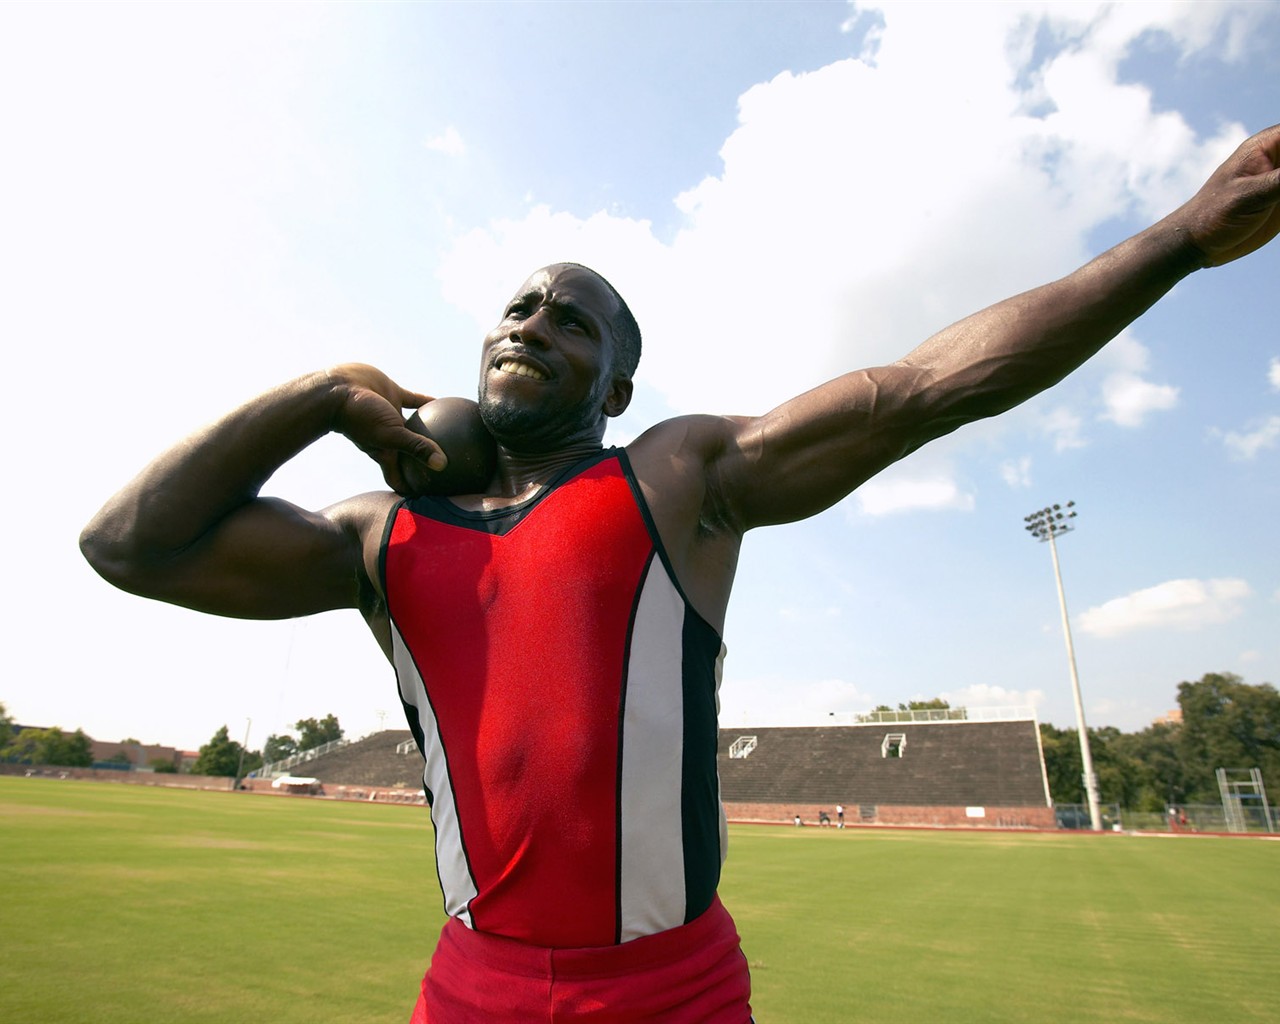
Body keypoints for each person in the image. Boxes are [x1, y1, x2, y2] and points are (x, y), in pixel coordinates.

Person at [80, 125, 1280, 1022]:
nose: (532, 322)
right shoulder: (376, 532)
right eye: (517, 306)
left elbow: (923, 389)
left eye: (572, 322)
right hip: (470, 986)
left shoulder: (676, 477)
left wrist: (1178, 237)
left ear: (614, 387)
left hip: (672, 990)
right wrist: (316, 396)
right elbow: (128, 543)